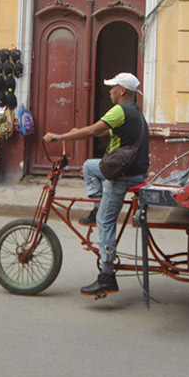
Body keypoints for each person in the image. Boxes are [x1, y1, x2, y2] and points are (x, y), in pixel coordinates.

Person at [42, 72, 150, 297]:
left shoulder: (120, 110)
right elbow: (110, 131)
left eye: (112, 88)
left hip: (122, 174)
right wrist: (75, 133)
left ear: (122, 91)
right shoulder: (135, 112)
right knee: (89, 167)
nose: (109, 91)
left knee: (106, 221)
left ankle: (107, 276)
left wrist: (61, 137)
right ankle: (96, 205)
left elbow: (94, 130)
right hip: (133, 170)